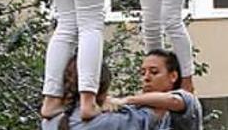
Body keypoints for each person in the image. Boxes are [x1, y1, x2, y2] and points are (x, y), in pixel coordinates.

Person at [41, 49, 202, 130]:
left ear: (173, 76)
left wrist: (125, 100)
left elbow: (173, 100)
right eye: (142, 72)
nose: (146, 77)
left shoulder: (52, 122)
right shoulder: (119, 119)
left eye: (154, 72)